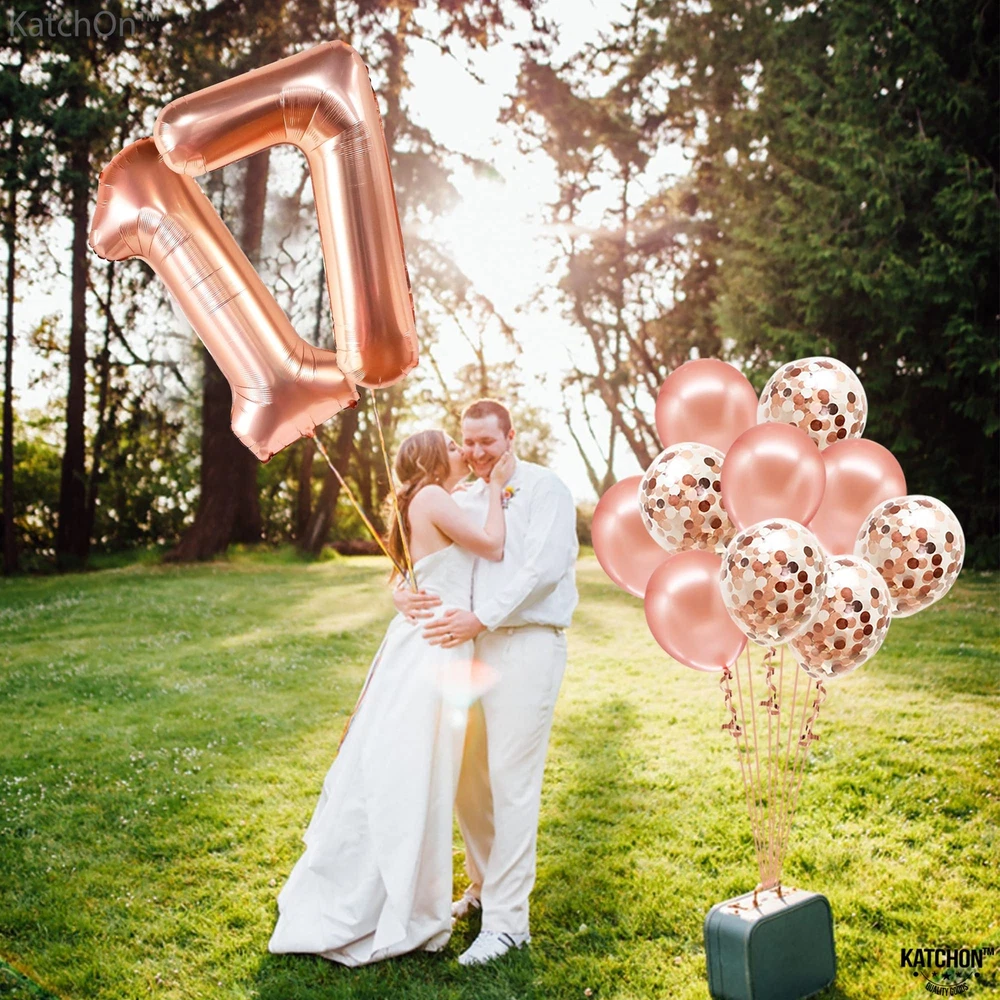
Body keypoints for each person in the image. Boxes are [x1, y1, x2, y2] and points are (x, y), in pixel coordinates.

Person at [267, 429, 515, 966]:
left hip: (428, 641)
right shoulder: (432, 496)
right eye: (453, 446)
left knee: (413, 765)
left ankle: (413, 886)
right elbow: (492, 546)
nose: (462, 453)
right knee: (414, 770)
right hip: (434, 648)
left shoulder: (421, 500)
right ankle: (388, 897)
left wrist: (402, 595)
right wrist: (496, 488)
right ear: (433, 458)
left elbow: (412, 575)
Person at [393, 399, 579, 966]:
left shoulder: (546, 488)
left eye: (486, 442)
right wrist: (400, 592)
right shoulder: (465, 496)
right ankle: (481, 887)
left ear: (510, 436)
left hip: (526, 645)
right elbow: (427, 557)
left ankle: (508, 926)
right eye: (467, 442)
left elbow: (541, 571)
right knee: (467, 780)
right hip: (463, 652)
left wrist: (482, 618)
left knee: (510, 781)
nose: (475, 452)